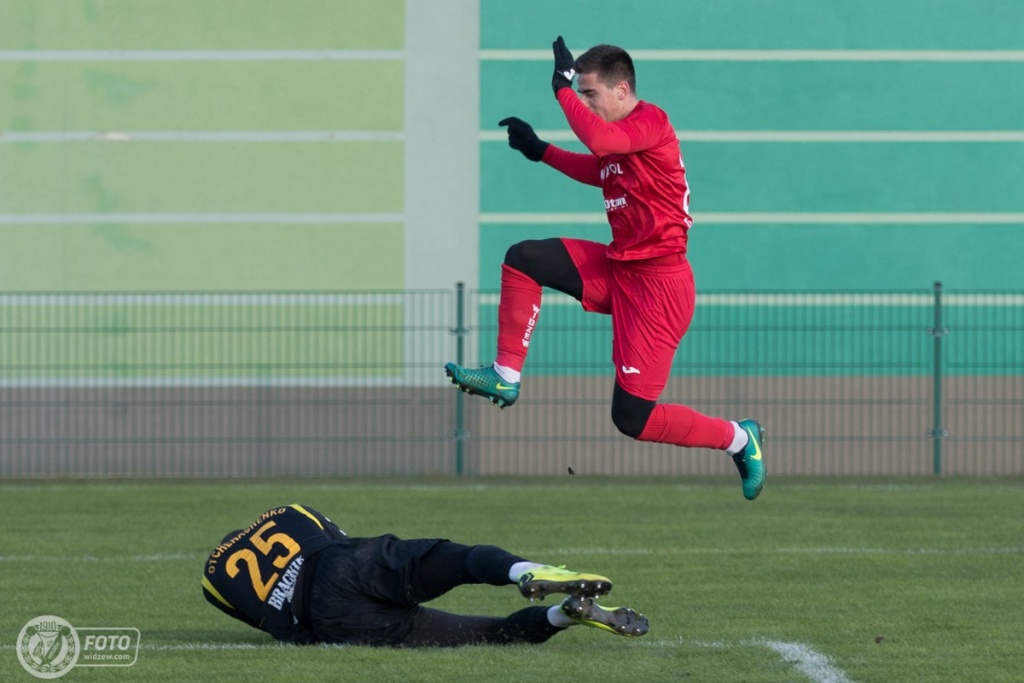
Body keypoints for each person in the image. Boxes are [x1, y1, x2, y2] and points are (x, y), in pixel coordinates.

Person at [444, 37, 765, 500]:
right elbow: (600, 167)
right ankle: (505, 375)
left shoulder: (649, 121)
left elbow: (598, 140)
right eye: (583, 95)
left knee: (632, 418)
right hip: (620, 267)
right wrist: (539, 150)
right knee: (524, 258)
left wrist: (562, 89)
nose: (587, 104)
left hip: (659, 287)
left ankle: (739, 438)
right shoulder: (622, 142)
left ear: (622, 89)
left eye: (591, 94)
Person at [202, 504, 649, 647]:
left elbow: (261, 620)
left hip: (329, 621)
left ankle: (564, 614)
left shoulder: (213, 579)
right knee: (458, 559)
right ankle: (528, 570)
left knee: (487, 635)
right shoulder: (285, 512)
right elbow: (339, 539)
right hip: (343, 565)